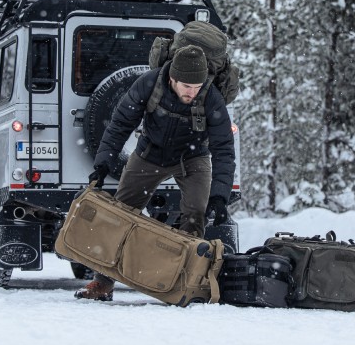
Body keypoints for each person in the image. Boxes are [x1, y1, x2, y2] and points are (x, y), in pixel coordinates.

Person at [75, 44, 235, 301]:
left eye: (197, 87)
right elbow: (120, 123)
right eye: (187, 86)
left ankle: (185, 284)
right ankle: (102, 283)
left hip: (193, 158)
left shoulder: (210, 96)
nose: (192, 92)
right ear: (172, 78)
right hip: (150, 154)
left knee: (196, 212)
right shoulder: (149, 84)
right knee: (120, 213)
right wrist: (103, 163)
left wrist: (219, 196)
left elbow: (224, 149)